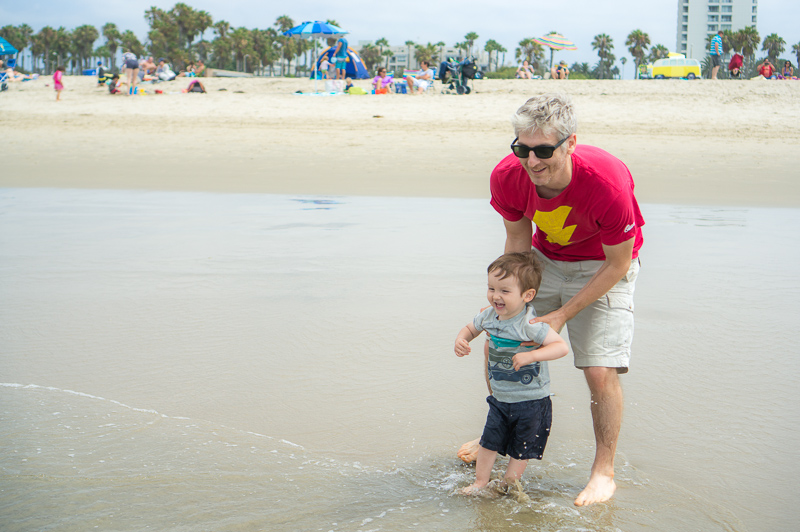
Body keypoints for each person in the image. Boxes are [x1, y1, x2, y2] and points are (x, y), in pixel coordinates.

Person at [460, 93, 645, 507]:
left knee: (599, 369)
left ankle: (603, 470)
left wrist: (561, 315)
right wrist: (504, 297)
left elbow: (618, 264)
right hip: (542, 260)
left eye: (544, 150)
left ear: (570, 143)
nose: (532, 161)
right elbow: (518, 241)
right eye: (522, 148)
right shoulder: (508, 175)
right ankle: (500, 429)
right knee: (499, 339)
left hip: (603, 266)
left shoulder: (606, 182)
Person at [455, 252, 569, 495]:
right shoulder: (488, 316)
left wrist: (532, 356)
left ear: (527, 295)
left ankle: (507, 484)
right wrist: (461, 339)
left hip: (531, 401)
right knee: (488, 442)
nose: (496, 296)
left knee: (521, 449)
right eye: (491, 288)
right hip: (501, 399)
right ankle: (480, 482)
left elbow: (561, 347)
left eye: (505, 291)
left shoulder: (530, 324)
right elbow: (470, 328)